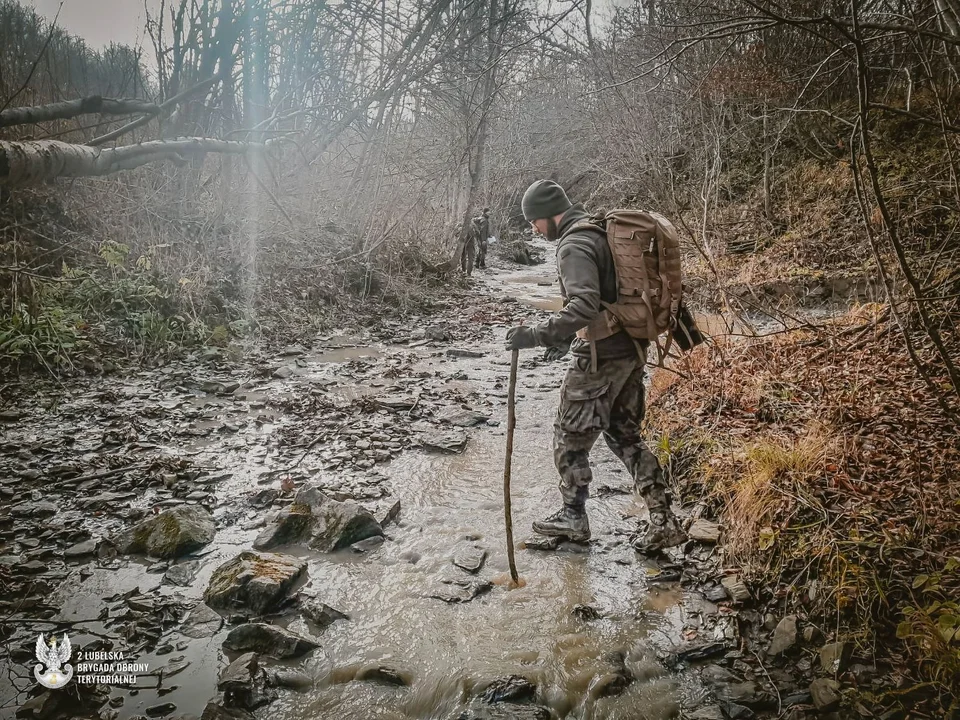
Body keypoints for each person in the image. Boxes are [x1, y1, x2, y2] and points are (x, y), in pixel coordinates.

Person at [504, 179, 686, 553]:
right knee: (625, 435)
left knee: (568, 437)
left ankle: (573, 517)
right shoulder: (600, 231)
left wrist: (536, 334)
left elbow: (584, 305)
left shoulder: (574, 244)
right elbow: (608, 298)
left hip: (601, 357)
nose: (535, 231)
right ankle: (664, 520)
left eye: (534, 222)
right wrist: (565, 338)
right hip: (631, 349)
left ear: (548, 215)